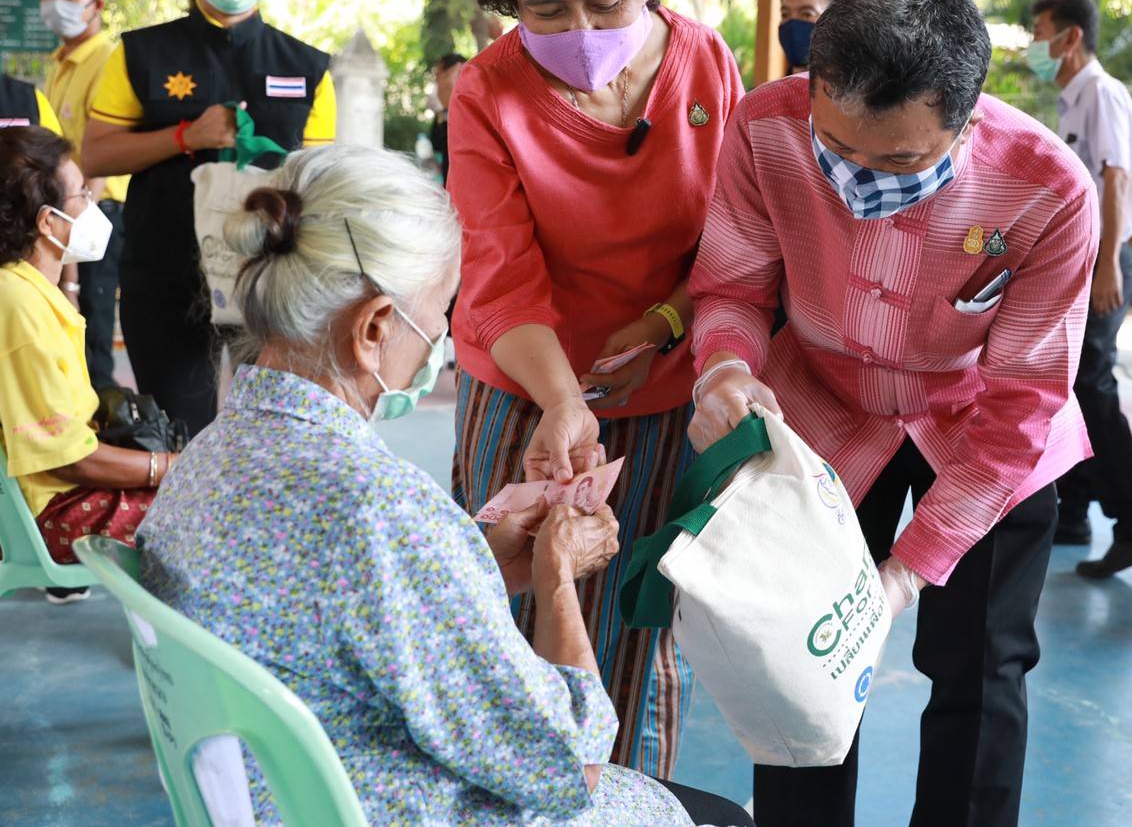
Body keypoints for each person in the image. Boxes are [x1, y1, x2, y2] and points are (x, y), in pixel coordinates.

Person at [136, 145, 752, 827]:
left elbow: (341, 618)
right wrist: (555, 575)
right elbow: (567, 762)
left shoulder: (209, 456)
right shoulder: (376, 505)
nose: (441, 340)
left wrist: (481, 563)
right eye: (438, 317)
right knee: (719, 816)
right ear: (374, 327)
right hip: (376, 804)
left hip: (268, 800)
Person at [687, 0, 1097, 827]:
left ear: (968, 114)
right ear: (812, 92)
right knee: (800, 663)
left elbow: (1023, 399)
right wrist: (725, 370)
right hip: (823, 416)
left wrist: (908, 571)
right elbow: (731, 286)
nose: (858, 181)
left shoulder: (1048, 193)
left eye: (902, 160)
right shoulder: (765, 127)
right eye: (837, 147)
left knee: (980, 669)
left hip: (982, 432)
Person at [448, 0, 745, 779]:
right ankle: (496, 791)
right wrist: (561, 399)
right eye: (546, 10)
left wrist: (663, 324)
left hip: (664, 383)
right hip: (524, 386)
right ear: (509, 2)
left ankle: (625, 797)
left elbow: (737, 250)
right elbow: (500, 277)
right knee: (502, 598)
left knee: (635, 613)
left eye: (607, 3)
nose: (579, 29)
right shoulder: (487, 93)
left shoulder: (707, 69)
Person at [81, 0, 337, 436]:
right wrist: (183, 136)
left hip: (270, 284)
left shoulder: (307, 67)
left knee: (270, 436)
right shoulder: (139, 53)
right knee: (179, 436)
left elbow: (321, 181)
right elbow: (95, 153)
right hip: (165, 277)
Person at [1027, 0, 1132, 575]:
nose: (1035, 45)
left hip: (1102, 260)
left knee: (1093, 387)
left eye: (1040, 32)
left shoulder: (1102, 93)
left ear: (1070, 37)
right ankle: (1076, 512)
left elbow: (1115, 180)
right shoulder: (1072, 98)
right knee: (1072, 388)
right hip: (1083, 259)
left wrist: (1107, 261)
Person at [0, 127, 172, 604]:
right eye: (81, 195)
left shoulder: (31, 289)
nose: (92, 204)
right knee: (205, 505)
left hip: (60, 492)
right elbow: (69, 458)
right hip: (53, 510)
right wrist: (166, 468)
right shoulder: (18, 304)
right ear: (47, 223)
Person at [41, 0, 128, 388]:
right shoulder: (60, 63)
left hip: (97, 209)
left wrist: (76, 218)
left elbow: (97, 152)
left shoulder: (107, 61)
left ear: (96, 5)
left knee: (91, 317)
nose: (57, 4)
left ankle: (102, 424)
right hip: (63, 210)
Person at [777, 0, 850, 75]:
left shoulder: (864, 90)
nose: (792, 22)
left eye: (807, 14)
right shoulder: (771, 91)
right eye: (785, 14)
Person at [428, 51, 466, 184]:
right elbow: (437, 143)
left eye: (439, 73)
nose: (437, 79)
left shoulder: (473, 108)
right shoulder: (442, 112)